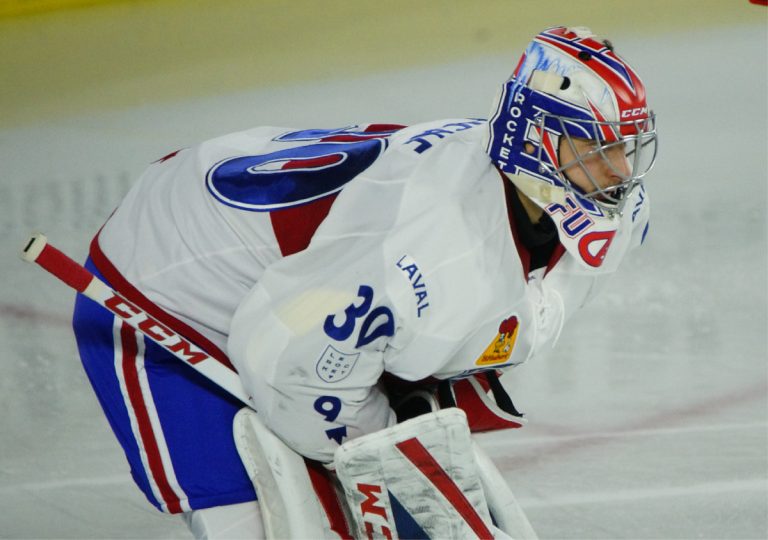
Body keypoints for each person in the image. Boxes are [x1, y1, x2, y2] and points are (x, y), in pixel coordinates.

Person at [71, 25, 657, 537]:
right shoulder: (438, 252)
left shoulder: (570, 202)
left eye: (626, 146)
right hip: (165, 276)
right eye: (597, 147)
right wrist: (386, 448)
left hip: (295, 276)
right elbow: (292, 373)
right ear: (534, 142)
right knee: (254, 524)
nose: (622, 172)